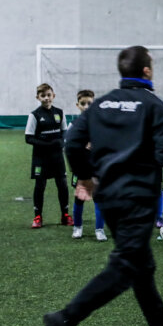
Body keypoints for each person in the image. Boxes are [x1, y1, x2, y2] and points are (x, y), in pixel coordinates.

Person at [42, 45, 163, 326]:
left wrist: (86, 178)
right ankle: (65, 318)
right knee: (126, 267)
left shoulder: (100, 104)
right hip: (137, 199)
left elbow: (71, 143)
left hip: (109, 199)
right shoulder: (153, 106)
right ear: (146, 71)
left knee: (141, 266)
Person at [26, 83, 71, 229]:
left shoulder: (59, 113)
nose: (46, 98)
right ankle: (38, 217)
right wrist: (48, 145)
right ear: (38, 97)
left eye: (48, 95)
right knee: (40, 185)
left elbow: (65, 132)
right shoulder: (34, 115)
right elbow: (28, 138)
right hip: (41, 157)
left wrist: (62, 141)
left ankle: (65, 215)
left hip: (57, 157)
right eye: (43, 96)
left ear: (53, 96)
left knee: (62, 184)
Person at [68, 89, 106, 241]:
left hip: (96, 166)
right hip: (81, 168)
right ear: (78, 105)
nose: (86, 106)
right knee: (80, 197)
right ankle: (77, 227)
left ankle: (99, 229)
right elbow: (69, 145)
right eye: (83, 104)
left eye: (89, 103)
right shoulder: (73, 126)